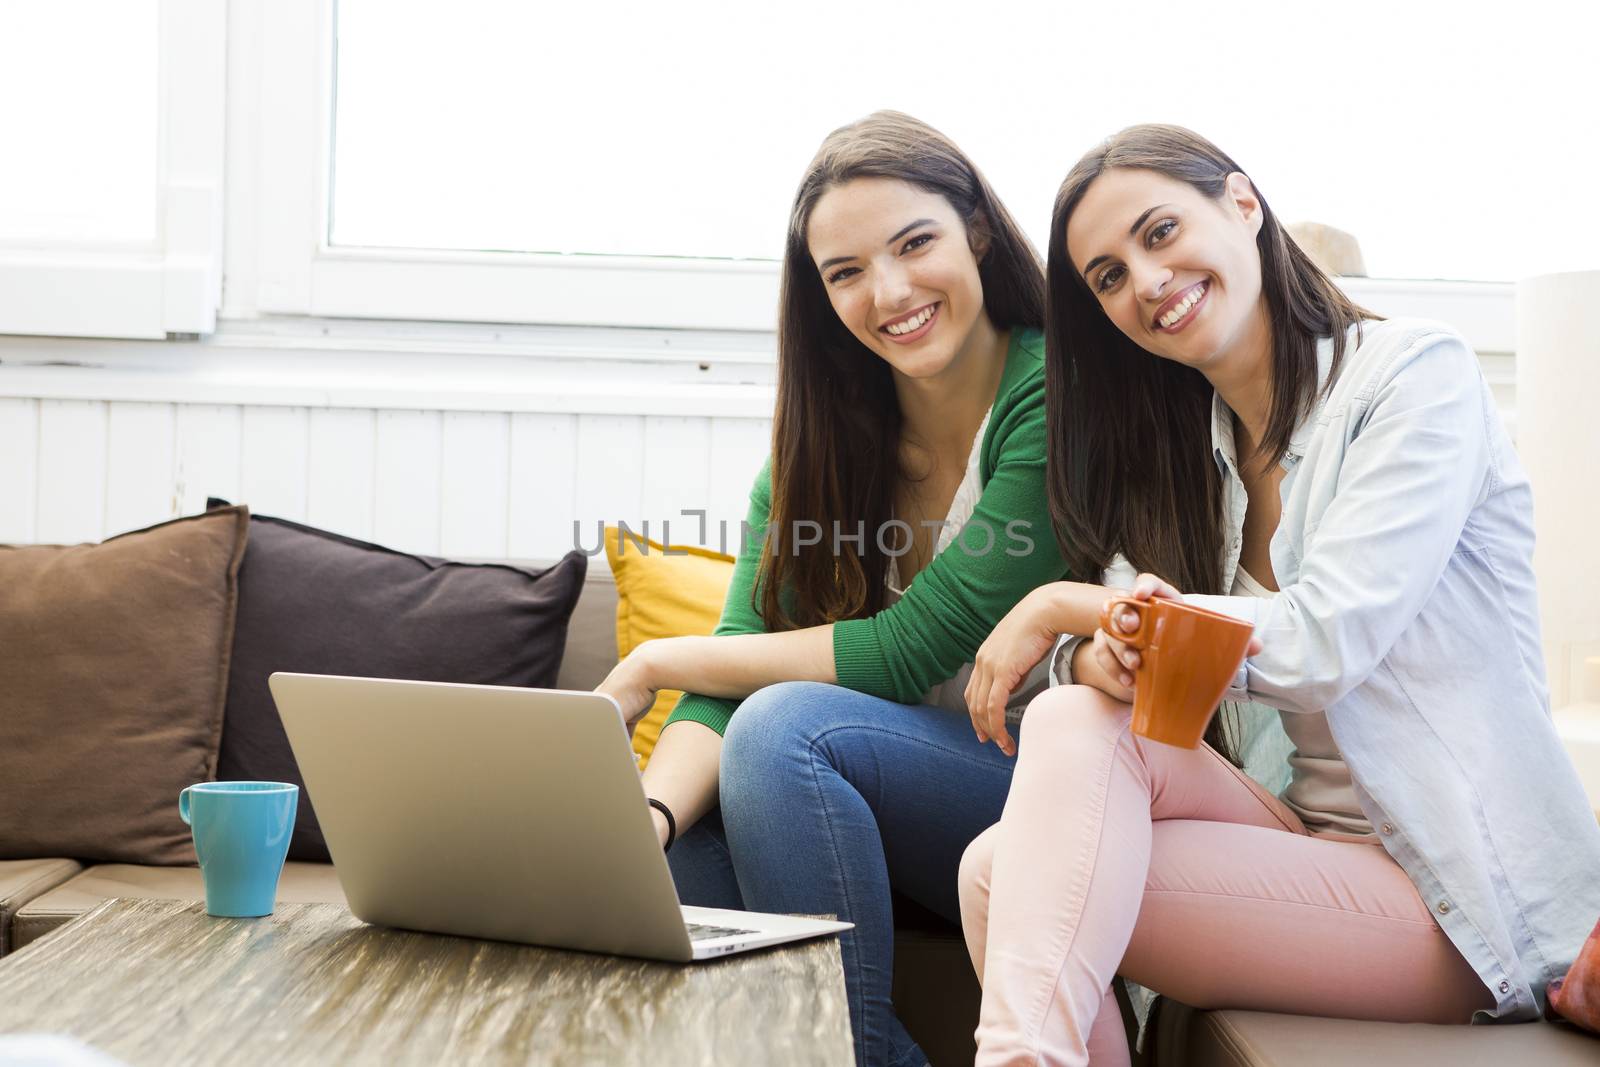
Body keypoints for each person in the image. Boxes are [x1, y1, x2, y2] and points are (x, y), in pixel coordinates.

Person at [955, 124, 1600, 1066]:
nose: (1144, 279)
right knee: (1055, 747)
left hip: (1457, 891)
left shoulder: (1416, 377)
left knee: (1002, 870)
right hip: (1306, 834)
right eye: (1106, 275)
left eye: (1161, 230)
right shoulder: (1199, 459)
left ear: (1244, 203)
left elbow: (1318, 643)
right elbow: (1125, 649)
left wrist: (1058, 608)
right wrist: (1100, 648)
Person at [596, 111, 1069, 1067]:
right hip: (872, 801)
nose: (887, 291)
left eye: (914, 243)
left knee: (783, 730)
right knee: (690, 837)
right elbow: (728, 671)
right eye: (845, 272)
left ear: (977, 229)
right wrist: (642, 822)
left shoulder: (1058, 398)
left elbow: (909, 652)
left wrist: (650, 656)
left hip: (1036, 791)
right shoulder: (813, 453)